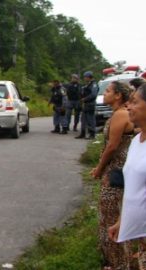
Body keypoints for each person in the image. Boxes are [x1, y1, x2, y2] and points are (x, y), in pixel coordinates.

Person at [90, 81, 134, 269]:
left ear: (118, 96)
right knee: (114, 212)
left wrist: (100, 168)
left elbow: (112, 146)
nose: (104, 94)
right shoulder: (121, 114)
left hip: (116, 170)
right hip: (118, 168)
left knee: (110, 213)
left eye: (108, 91)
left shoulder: (120, 114)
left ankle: (116, 262)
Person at [108, 83, 146, 270]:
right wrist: (122, 221)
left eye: (135, 102)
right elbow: (134, 189)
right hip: (139, 234)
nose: (129, 106)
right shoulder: (135, 143)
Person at [76, 71, 99, 139]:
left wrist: (85, 99)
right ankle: (83, 133)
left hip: (90, 104)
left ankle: (92, 134)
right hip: (85, 105)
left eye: (85, 77)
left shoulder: (94, 84)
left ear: (89, 77)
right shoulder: (87, 85)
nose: (84, 78)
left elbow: (93, 95)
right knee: (83, 119)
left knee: (90, 120)